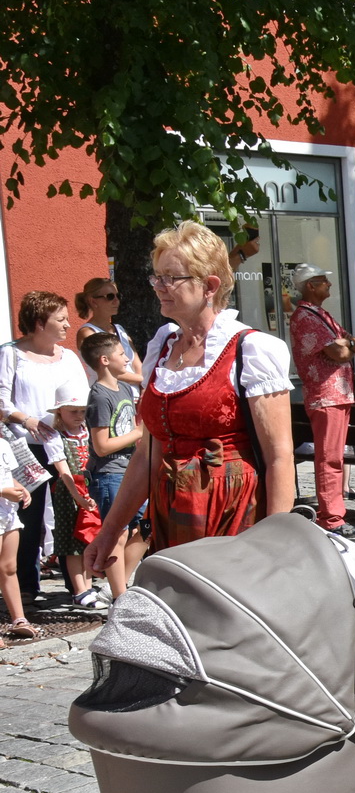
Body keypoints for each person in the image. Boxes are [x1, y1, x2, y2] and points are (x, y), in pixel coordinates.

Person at [86, 222, 295, 577]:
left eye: (172, 278)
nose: (160, 287)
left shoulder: (252, 349)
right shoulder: (162, 345)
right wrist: (109, 532)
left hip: (234, 511)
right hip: (173, 511)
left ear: (209, 286)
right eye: (157, 277)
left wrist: (277, 549)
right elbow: (146, 455)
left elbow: (279, 457)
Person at [2, 291, 89, 608]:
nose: (68, 324)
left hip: (66, 447)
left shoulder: (68, 357)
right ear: (39, 323)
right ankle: (26, 584)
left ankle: (78, 584)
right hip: (27, 449)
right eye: (61, 319)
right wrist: (28, 421)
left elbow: (81, 398)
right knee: (29, 515)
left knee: (72, 514)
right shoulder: (12, 355)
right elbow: (1, 402)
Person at [287, 264, 355, 537]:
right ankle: (331, 518)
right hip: (325, 396)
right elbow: (340, 352)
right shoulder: (305, 317)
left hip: (338, 393)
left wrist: (347, 344)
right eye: (323, 281)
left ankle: (336, 513)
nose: (329, 285)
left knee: (335, 457)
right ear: (310, 286)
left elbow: (353, 344)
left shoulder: (321, 314)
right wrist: (347, 344)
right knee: (329, 458)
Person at [81, 332, 146, 597]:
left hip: (129, 470)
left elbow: (130, 430)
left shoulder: (123, 388)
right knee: (117, 533)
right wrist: (139, 433)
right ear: (105, 360)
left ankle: (118, 588)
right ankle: (120, 597)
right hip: (108, 474)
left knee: (147, 525)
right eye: (121, 354)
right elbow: (101, 445)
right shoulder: (99, 395)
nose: (127, 358)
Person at [44, 381, 101, 608]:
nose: (79, 416)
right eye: (73, 411)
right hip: (70, 493)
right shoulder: (55, 436)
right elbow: (63, 469)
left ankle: (88, 585)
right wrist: (77, 496)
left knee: (90, 538)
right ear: (60, 411)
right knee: (72, 543)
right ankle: (79, 590)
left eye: (82, 411)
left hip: (91, 488)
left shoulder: (89, 431)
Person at [74, 278, 142, 385]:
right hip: (109, 396)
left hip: (134, 394)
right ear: (93, 301)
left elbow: (136, 363)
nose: (116, 301)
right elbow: (107, 370)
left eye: (118, 296)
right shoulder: (87, 332)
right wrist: (143, 380)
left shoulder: (119, 329)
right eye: (110, 297)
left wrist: (144, 388)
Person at [0, 469, 27, 642]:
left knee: (9, 568)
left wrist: (19, 487)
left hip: (8, 512)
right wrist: (3, 491)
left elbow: (5, 474)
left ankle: (19, 619)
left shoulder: (4, 445)